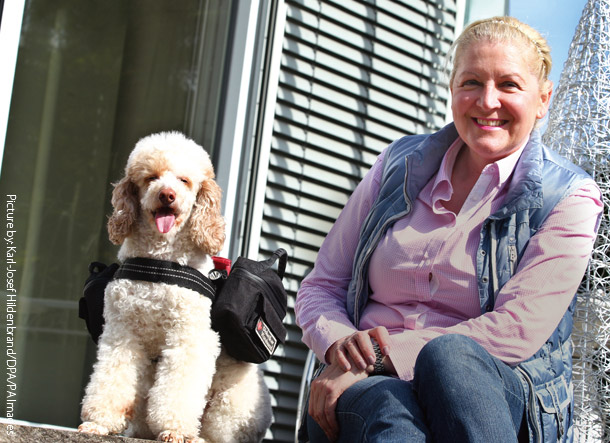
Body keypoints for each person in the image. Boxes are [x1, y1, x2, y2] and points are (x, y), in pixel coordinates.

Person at [295, 16, 603, 443]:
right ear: (452, 89)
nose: (487, 101)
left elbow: (514, 330)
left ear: (543, 99)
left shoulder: (568, 197)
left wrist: (380, 357)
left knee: (450, 358)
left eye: (509, 85)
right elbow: (322, 285)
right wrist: (342, 347)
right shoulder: (396, 167)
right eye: (471, 82)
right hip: (367, 391)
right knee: (388, 410)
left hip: (486, 397)